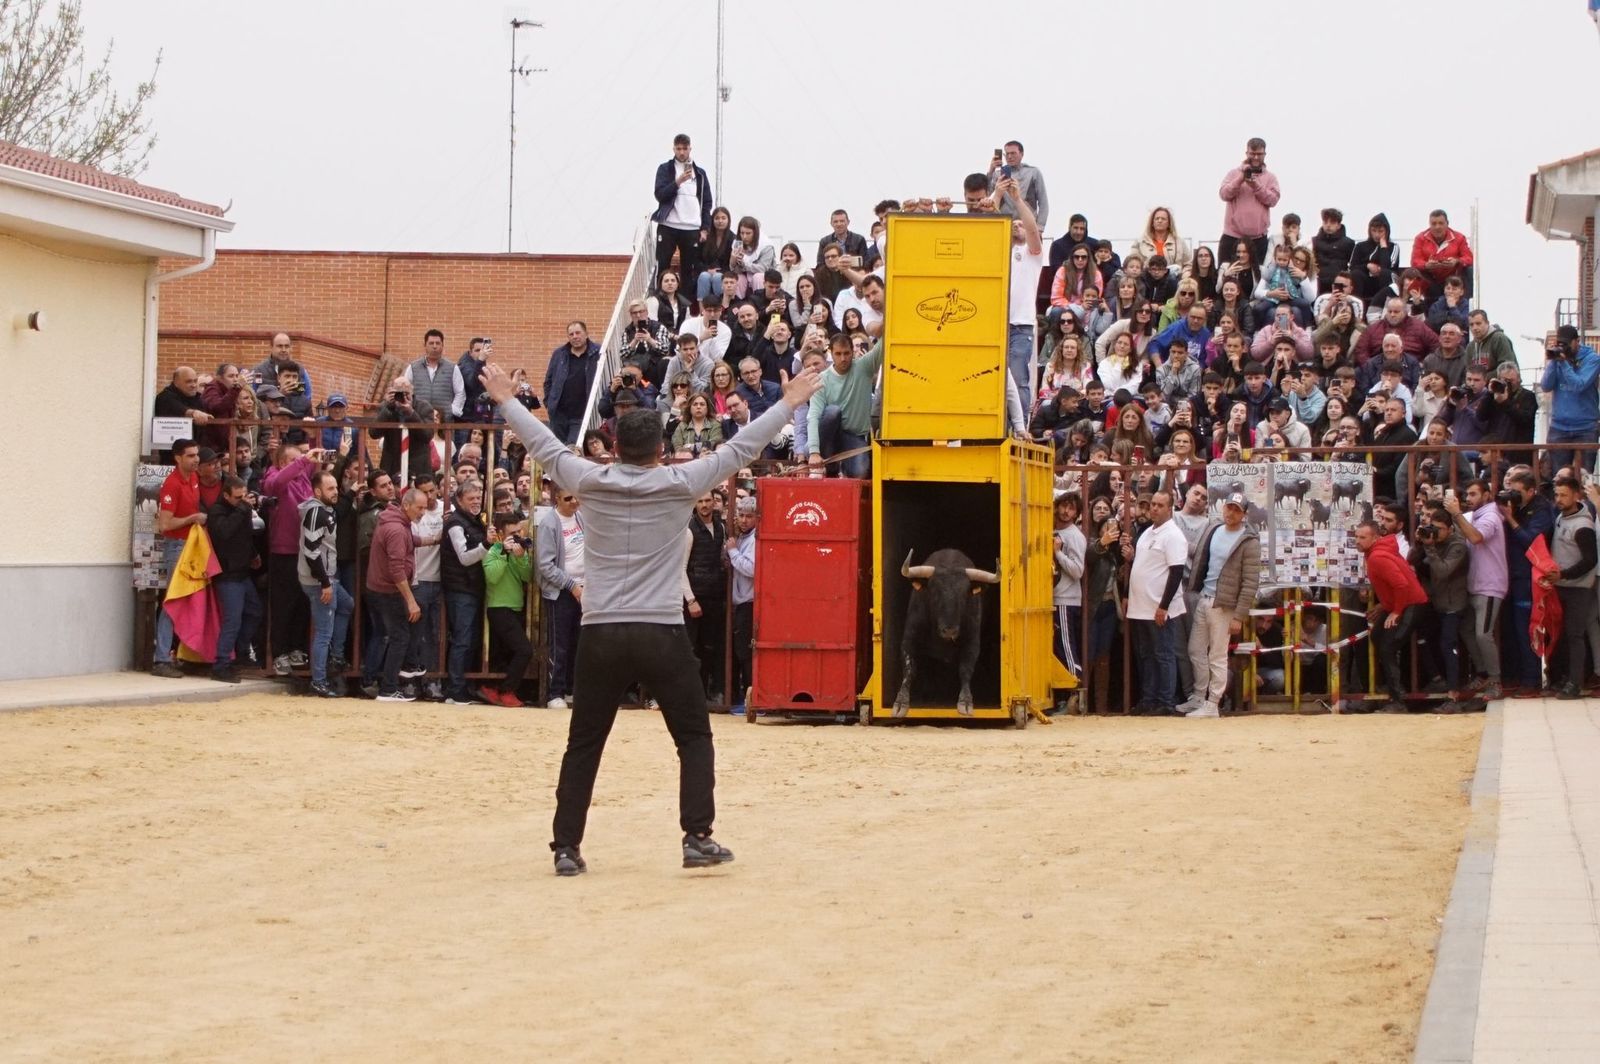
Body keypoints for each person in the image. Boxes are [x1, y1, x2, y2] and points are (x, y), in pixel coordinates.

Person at [480, 359, 824, 876]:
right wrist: (789, 402)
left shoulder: (588, 479)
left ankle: (567, 848)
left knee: (585, 742)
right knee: (692, 736)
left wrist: (508, 401)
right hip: (661, 629)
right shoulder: (682, 481)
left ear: (614, 448)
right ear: (661, 449)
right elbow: (740, 448)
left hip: (600, 628)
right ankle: (696, 836)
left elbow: (544, 447)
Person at [1180, 492, 1261, 719]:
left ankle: (1213, 702)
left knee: (1217, 655)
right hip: (1206, 598)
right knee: (1195, 650)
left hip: (1224, 605)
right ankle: (1199, 697)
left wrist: (1239, 616)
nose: (1231, 513)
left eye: (1236, 509)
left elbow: (1250, 582)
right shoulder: (1214, 529)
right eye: (1229, 507)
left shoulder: (1249, 541)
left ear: (1244, 514)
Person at [1120, 489, 1189, 715]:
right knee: (1147, 655)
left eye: (1160, 505)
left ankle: (1166, 701)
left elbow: (1176, 572)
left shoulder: (1174, 535)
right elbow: (1140, 565)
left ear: (1170, 508)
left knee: (1164, 654)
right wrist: (1128, 594)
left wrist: (1164, 606)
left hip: (1158, 607)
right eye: (1153, 505)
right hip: (1141, 605)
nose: (1155, 509)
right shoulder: (1147, 533)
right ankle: (1149, 699)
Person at [1354, 519, 1429, 713]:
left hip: (1411, 604)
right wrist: (1385, 607)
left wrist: (1395, 611)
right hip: (1401, 603)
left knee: (1388, 646)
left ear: (1375, 537)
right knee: (1377, 636)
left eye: (1363, 537)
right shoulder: (1378, 552)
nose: (1358, 541)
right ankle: (1390, 688)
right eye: (1356, 537)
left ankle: (1399, 699)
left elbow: (1401, 585)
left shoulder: (1377, 556)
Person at [367, 488, 427, 702]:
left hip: (380, 588)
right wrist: (410, 601)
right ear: (406, 505)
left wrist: (436, 539)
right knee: (400, 636)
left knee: (390, 635)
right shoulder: (397, 529)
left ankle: (384, 678)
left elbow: (412, 542)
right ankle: (389, 687)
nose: (422, 512)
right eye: (419, 508)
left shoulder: (397, 523)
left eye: (425, 508)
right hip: (388, 591)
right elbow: (396, 569)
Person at [298, 470, 354, 698]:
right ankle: (319, 680)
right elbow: (311, 552)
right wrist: (324, 583)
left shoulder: (323, 510)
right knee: (323, 633)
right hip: (319, 580)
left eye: (336, 488)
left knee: (347, 605)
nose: (335, 492)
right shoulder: (316, 513)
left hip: (326, 577)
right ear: (318, 491)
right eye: (330, 489)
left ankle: (336, 656)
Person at [1408, 503, 1470, 711]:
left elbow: (1443, 571)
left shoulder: (1458, 545)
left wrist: (1430, 547)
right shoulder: (1430, 542)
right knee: (1424, 639)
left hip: (1453, 604)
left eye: (1440, 529)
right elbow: (1413, 563)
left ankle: (1454, 694)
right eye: (1432, 527)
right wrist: (1420, 543)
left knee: (1448, 645)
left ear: (1450, 528)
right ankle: (1437, 679)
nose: (1435, 533)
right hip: (1435, 602)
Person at [1499, 467, 1554, 692]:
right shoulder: (1515, 506)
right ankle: (1514, 677)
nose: (1513, 496)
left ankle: (1531, 681)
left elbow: (1532, 541)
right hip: (1510, 577)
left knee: (1527, 629)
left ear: (1531, 491)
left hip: (1529, 578)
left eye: (1518, 492)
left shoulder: (1541, 510)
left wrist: (1511, 519)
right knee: (1509, 631)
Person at [1545, 475, 1597, 699]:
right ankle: (1563, 677)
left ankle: (1575, 683)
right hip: (1561, 585)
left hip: (1577, 588)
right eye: (1557, 495)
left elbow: (1590, 561)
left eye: (1564, 495)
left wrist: (1563, 575)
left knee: (1575, 635)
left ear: (1577, 496)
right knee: (1562, 634)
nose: (1559, 499)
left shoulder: (1583, 525)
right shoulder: (1561, 517)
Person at [441, 480, 492, 706]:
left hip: (471, 587)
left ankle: (461, 686)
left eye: (477, 498)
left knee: (469, 639)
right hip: (460, 588)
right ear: (459, 500)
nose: (475, 502)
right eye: (470, 498)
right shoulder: (455, 523)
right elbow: (464, 557)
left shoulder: (473, 521)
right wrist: (487, 545)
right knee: (462, 639)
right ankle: (455, 689)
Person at [536, 485, 586, 710]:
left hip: (584, 588)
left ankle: (570, 690)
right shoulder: (549, 523)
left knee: (579, 643)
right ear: (557, 499)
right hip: (561, 592)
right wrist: (571, 585)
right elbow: (545, 565)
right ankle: (554, 692)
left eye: (576, 497)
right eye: (568, 498)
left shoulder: (580, 518)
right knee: (560, 644)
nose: (574, 502)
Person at [206, 474, 260, 683]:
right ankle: (221, 664)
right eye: (238, 497)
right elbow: (225, 532)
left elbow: (244, 535)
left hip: (242, 572)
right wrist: (243, 509)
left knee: (255, 612)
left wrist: (253, 554)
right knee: (232, 620)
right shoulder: (217, 511)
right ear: (226, 495)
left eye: (244, 496)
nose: (242, 500)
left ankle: (240, 651)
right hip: (228, 575)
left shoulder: (240, 509)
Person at [807, 332, 882, 479]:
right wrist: (814, 452)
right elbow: (813, 417)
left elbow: (883, 345)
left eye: (847, 353)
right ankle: (830, 466)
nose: (843, 358)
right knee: (832, 412)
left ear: (853, 352)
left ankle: (838, 468)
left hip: (854, 436)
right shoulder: (821, 380)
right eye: (838, 353)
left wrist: (879, 326)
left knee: (860, 472)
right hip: (828, 436)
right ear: (831, 353)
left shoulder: (863, 367)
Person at [401, 472, 446, 701]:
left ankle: (432, 680)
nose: (429, 496)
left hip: (440, 579)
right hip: (418, 579)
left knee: (435, 634)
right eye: (424, 492)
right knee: (415, 633)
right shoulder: (413, 515)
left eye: (432, 490)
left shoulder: (446, 511)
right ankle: (409, 680)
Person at [482, 514, 534, 708]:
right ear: (501, 535)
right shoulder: (493, 551)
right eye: (513, 533)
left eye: (519, 531)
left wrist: (520, 558)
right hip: (499, 608)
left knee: (505, 654)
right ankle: (506, 690)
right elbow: (492, 577)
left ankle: (495, 688)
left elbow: (528, 576)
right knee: (524, 650)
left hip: (514, 607)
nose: (518, 536)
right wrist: (504, 552)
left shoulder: (521, 551)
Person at [652, 134, 713, 294]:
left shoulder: (699, 173)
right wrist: (677, 182)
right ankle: (661, 299)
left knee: (689, 269)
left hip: (692, 227)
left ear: (690, 149)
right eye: (678, 148)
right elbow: (660, 194)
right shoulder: (665, 169)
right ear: (673, 149)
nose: (681, 152)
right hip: (668, 225)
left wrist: (705, 228)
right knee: (663, 263)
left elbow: (707, 202)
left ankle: (684, 304)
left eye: (684, 148)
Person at [1540, 325, 1600, 476]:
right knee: (1559, 476)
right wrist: (1553, 361)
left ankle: (1585, 500)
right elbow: (1546, 386)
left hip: (1585, 427)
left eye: (1566, 343)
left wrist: (1563, 363)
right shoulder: (1558, 361)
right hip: (1559, 427)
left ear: (1577, 341)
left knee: (1584, 476)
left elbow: (1578, 385)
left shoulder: (1592, 359)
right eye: (1560, 343)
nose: (1563, 347)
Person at [1217, 137, 1280, 269]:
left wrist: (1256, 185)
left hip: (1258, 240)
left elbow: (1273, 200)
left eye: (1259, 154)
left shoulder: (1270, 178)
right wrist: (1240, 179)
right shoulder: (1233, 174)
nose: (1256, 157)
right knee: (1226, 276)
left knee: (1257, 279)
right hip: (1232, 237)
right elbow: (1224, 194)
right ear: (1247, 153)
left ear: (1265, 154)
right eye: (1252, 154)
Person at [544, 322, 602, 445]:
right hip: (558, 414)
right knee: (558, 448)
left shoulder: (598, 353)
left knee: (572, 447)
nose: (575, 336)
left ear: (586, 334)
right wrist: (549, 403)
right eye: (571, 334)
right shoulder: (559, 354)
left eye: (578, 333)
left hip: (582, 413)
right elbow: (548, 381)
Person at [726, 495, 759, 707]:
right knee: (742, 651)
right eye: (741, 515)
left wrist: (732, 551)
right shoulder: (744, 538)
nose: (744, 520)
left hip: (748, 601)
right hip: (742, 601)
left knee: (746, 652)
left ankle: (752, 698)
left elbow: (751, 568)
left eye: (749, 516)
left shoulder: (753, 539)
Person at [1411, 209, 1474, 300]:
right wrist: (1426, 265)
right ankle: (1418, 304)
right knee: (1415, 272)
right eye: (1434, 224)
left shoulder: (1459, 238)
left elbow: (1469, 258)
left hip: (1453, 278)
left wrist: (1456, 261)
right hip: (1431, 279)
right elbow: (1415, 261)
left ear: (1447, 223)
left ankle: (1467, 304)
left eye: (1441, 223)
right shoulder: (1420, 238)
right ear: (1429, 224)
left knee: (1469, 269)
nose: (1437, 227)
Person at [986, 141, 1050, 230]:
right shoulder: (997, 174)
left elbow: (1043, 202)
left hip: (1027, 225)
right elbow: (987, 197)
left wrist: (1040, 227)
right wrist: (991, 171)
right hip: (1004, 224)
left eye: (1013, 153)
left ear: (1021, 154)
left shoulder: (1033, 172)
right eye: (1007, 154)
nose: (1009, 156)